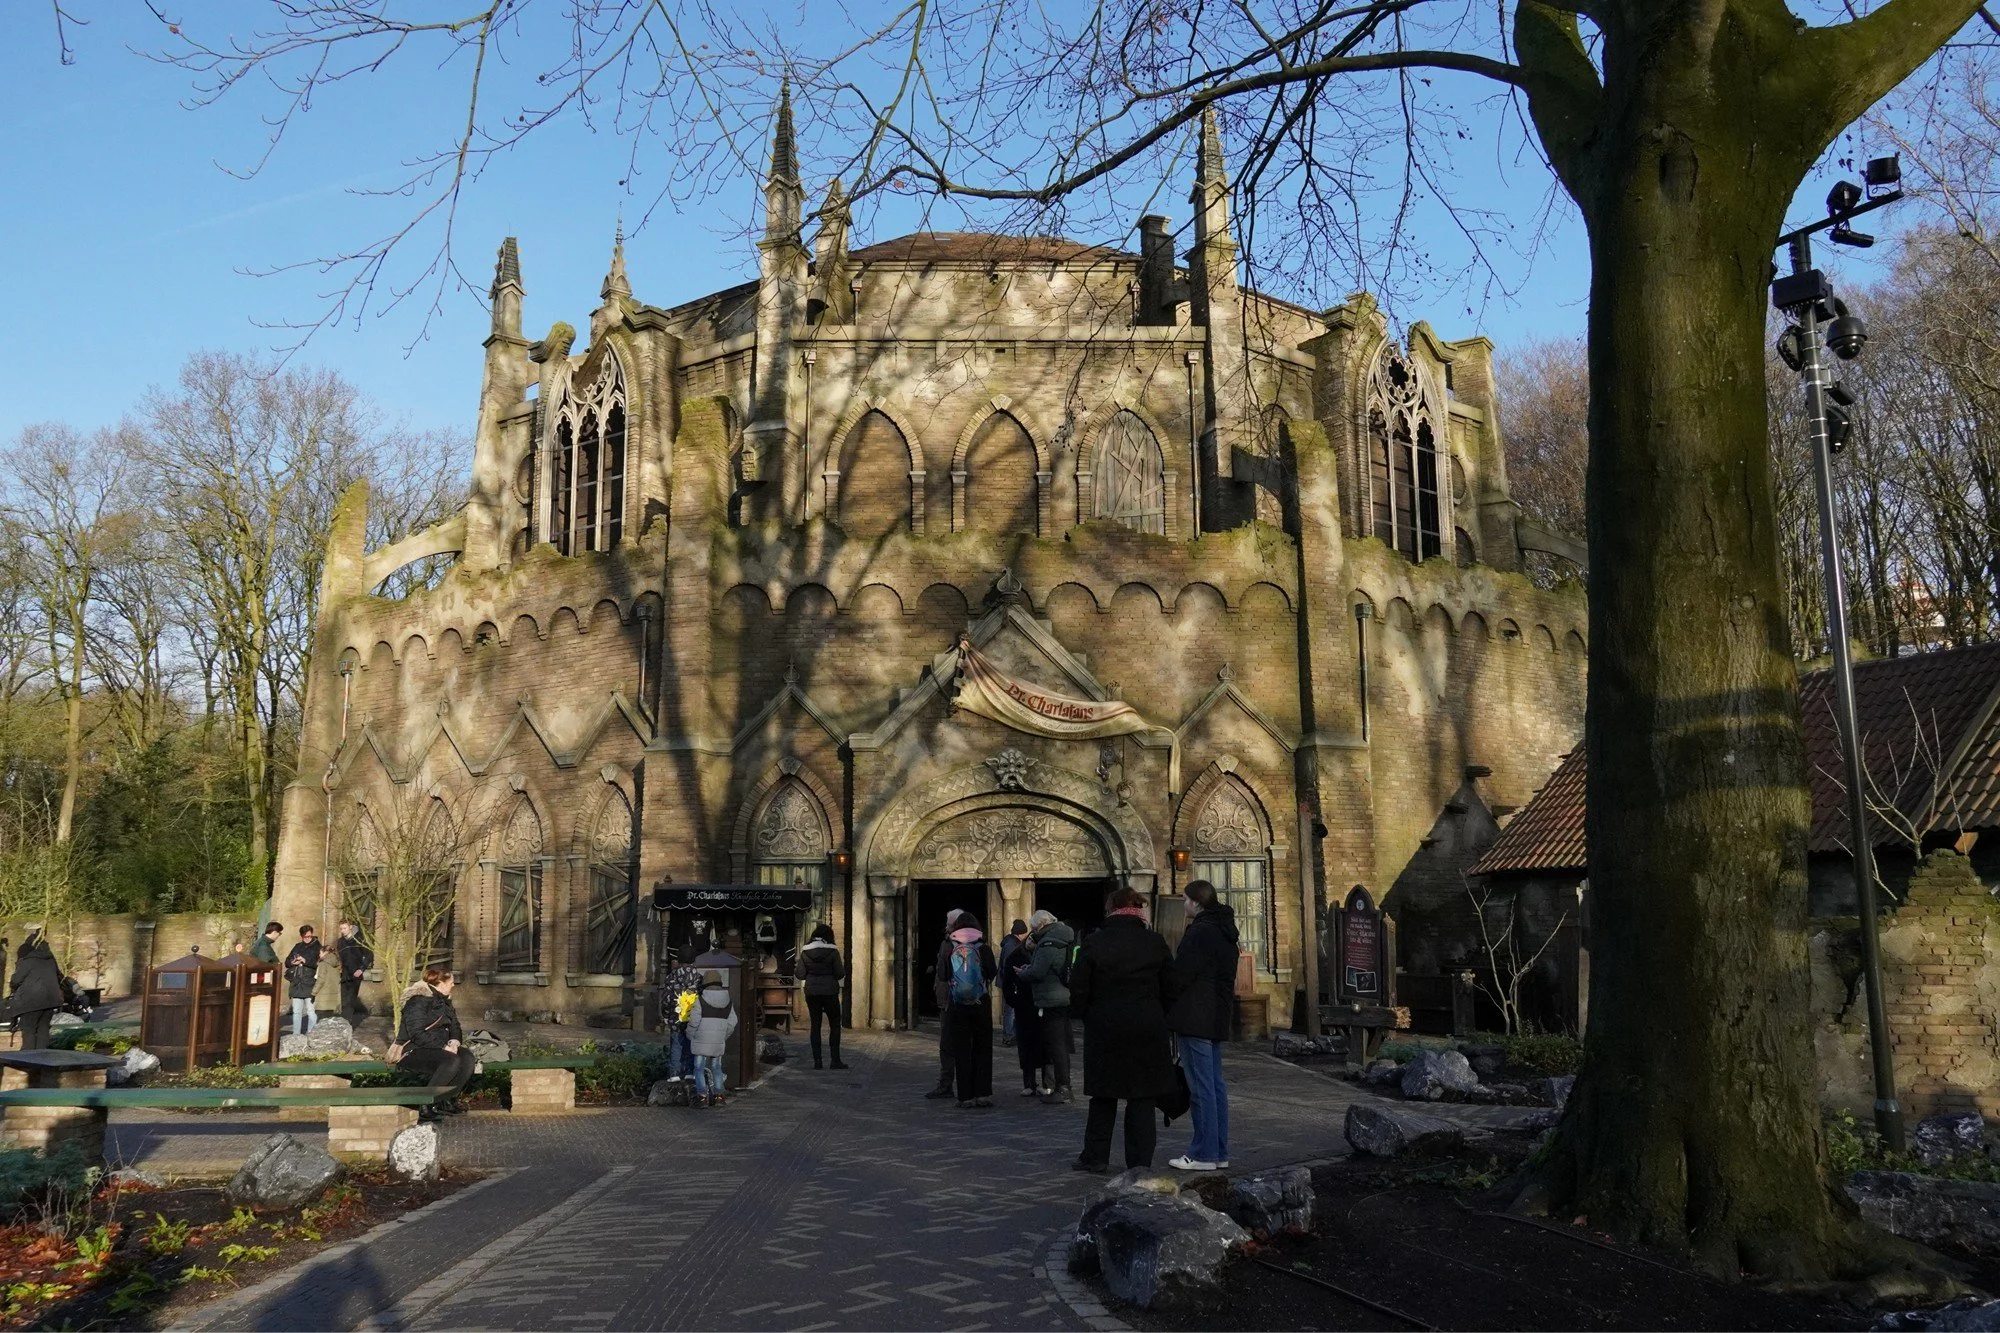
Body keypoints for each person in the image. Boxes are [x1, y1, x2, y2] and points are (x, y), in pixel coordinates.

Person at [1070, 887, 1179, 1174]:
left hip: (1105, 1027)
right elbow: (1171, 987)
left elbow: (1080, 987)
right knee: (1142, 1097)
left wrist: (1083, 1014)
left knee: (1103, 1095)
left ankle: (1095, 1156)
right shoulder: (1154, 942)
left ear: (1111, 910)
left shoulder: (1095, 942)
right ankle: (1139, 1162)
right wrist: (1160, 1015)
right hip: (1147, 1027)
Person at [1166, 880, 1238, 1171]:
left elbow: (1181, 974)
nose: (1184, 906)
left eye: (1185, 900)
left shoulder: (1199, 932)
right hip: (1217, 1014)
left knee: (1201, 1087)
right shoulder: (1226, 931)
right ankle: (1218, 1150)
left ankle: (1203, 1153)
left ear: (1196, 902)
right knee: (1215, 1086)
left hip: (1195, 1015)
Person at [394, 966, 474, 1122]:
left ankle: (447, 1099)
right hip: (414, 1050)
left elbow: (455, 1026)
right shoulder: (417, 1001)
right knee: (451, 1060)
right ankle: (426, 1105)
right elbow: (417, 1033)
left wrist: (454, 1041)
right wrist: (444, 1047)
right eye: (451, 981)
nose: (453, 985)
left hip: (439, 1047)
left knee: (467, 1058)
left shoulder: (445, 1001)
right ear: (441, 983)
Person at [942, 912, 998, 1107]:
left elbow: (943, 974)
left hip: (958, 1005)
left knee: (962, 1050)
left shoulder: (951, 947)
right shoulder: (983, 947)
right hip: (980, 1002)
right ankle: (982, 1094)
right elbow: (993, 972)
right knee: (983, 1048)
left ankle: (965, 1096)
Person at [1020, 909, 1076, 1103]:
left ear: (1041, 925)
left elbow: (1038, 972)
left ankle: (1063, 1087)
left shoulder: (1047, 942)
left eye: (1034, 928)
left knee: (1056, 1046)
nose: (1033, 932)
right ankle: (1065, 1086)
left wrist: (1023, 973)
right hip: (1064, 996)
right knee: (1061, 1044)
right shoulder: (1065, 937)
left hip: (1051, 999)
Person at [924, 908, 970, 1099]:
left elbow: (943, 973)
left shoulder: (948, 943)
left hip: (951, 999)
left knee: (948, 1045)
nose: (945, 926)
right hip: (968, 999)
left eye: (948, 922)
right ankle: (968, 1087)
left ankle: (947, 1084)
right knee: (965, 1044)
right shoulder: (975, 941)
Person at [1000, 917, 1046, 1096]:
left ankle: (1045, 1083)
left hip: (1040, 1005)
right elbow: (1008, 982)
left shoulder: (1042, 955)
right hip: (1025, 1006)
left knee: (1043, 1045)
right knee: (1026, 1046)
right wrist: (1015, 1001)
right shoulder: (1015, 954)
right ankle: (1029, 1083)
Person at [798, 923, 847, 1071]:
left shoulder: (805, 951)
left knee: (816, 1025)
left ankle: (817, 1061)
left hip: (812, 992)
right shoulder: (833, 951)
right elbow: (840, 973)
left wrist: (811, 974)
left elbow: (799, 974)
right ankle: (835, 1060)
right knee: (835, 1024)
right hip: (830, 991)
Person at [688, 969, 739, 1107]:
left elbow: (694, 1021)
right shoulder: (728, 1001)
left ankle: (702, 1097)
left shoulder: (701, 1000)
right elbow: (733, 1021)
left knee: (698, 1068)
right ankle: (719, 1096)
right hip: (718, 1040)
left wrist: (691, 1035)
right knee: (717, 1067)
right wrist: (724, 1035)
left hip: (701, 1039)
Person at [7, 930, 62, 1052]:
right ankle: (43, 1061)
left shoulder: (28, 961)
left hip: (31, 1001)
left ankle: (29, 1061)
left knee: (29, 1030)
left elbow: (16, 980)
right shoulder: (50, 960)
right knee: (43, 1030)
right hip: (51, 1001)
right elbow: (58, 976)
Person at [660, 943, 703, 1082]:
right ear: (694, 959)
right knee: (691, 1044)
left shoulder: (672, 976)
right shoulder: (698, 977)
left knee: (676, 1045)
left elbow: (666, 998)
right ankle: (690, 1072)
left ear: (678, 959)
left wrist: (665, 1015)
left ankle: (674, 1074)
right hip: (693, 1016)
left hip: (676, 1016)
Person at [284, 925, 323, 1035]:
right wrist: (293, 962)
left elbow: (319, 963)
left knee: (310, 1011)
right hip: (296, 982)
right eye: (305, 937)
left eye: (309, 936)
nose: (307, 938)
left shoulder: (318, 947)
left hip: (309, 982)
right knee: (296, 1012)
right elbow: (287, 962)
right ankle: (296, 1034)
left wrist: (305, 960)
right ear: (301, 936)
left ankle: (311, 1033)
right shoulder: (297, 946)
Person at [997, 919, 1029, 1046]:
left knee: (1012, 1009)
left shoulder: (1011, 943)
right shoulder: (1011, 945)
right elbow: (1008, 965)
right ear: (1020, 933)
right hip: (1011, 981)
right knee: (1010, 1010)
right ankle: (1009, 1036)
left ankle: (1012, 1034)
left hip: (1010, 981)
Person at [335, 921, 373, 1025]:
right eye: (341, 929)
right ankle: (344, 1025)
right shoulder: (340, 942)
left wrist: (361, 969)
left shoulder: (359, 940)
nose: (342, 931)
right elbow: (339, 957)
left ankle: (346, 1026)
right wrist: (339, 966)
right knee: (344, 1002)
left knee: (350, 1001)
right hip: (344, 975)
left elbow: (369, 955)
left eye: (344, 928)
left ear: (350, 927)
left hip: (355, 975)